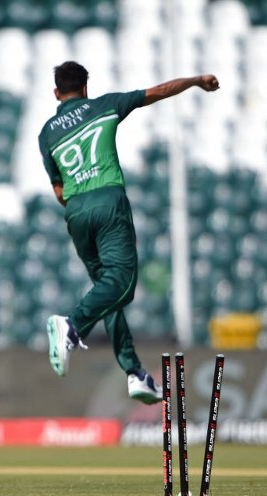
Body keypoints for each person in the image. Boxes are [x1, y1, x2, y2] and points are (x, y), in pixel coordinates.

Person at [38, 61, 220, 404]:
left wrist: (81, 201)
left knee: (106, 294)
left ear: (56, 93)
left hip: (76, 212)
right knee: (122, 284)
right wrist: (196, 80)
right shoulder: (104, 105)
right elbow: (158, 91)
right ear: (85, 88)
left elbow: (59, 191)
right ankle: (71, 325)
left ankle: (135, 372)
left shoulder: (47, 133)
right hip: (108, 202)